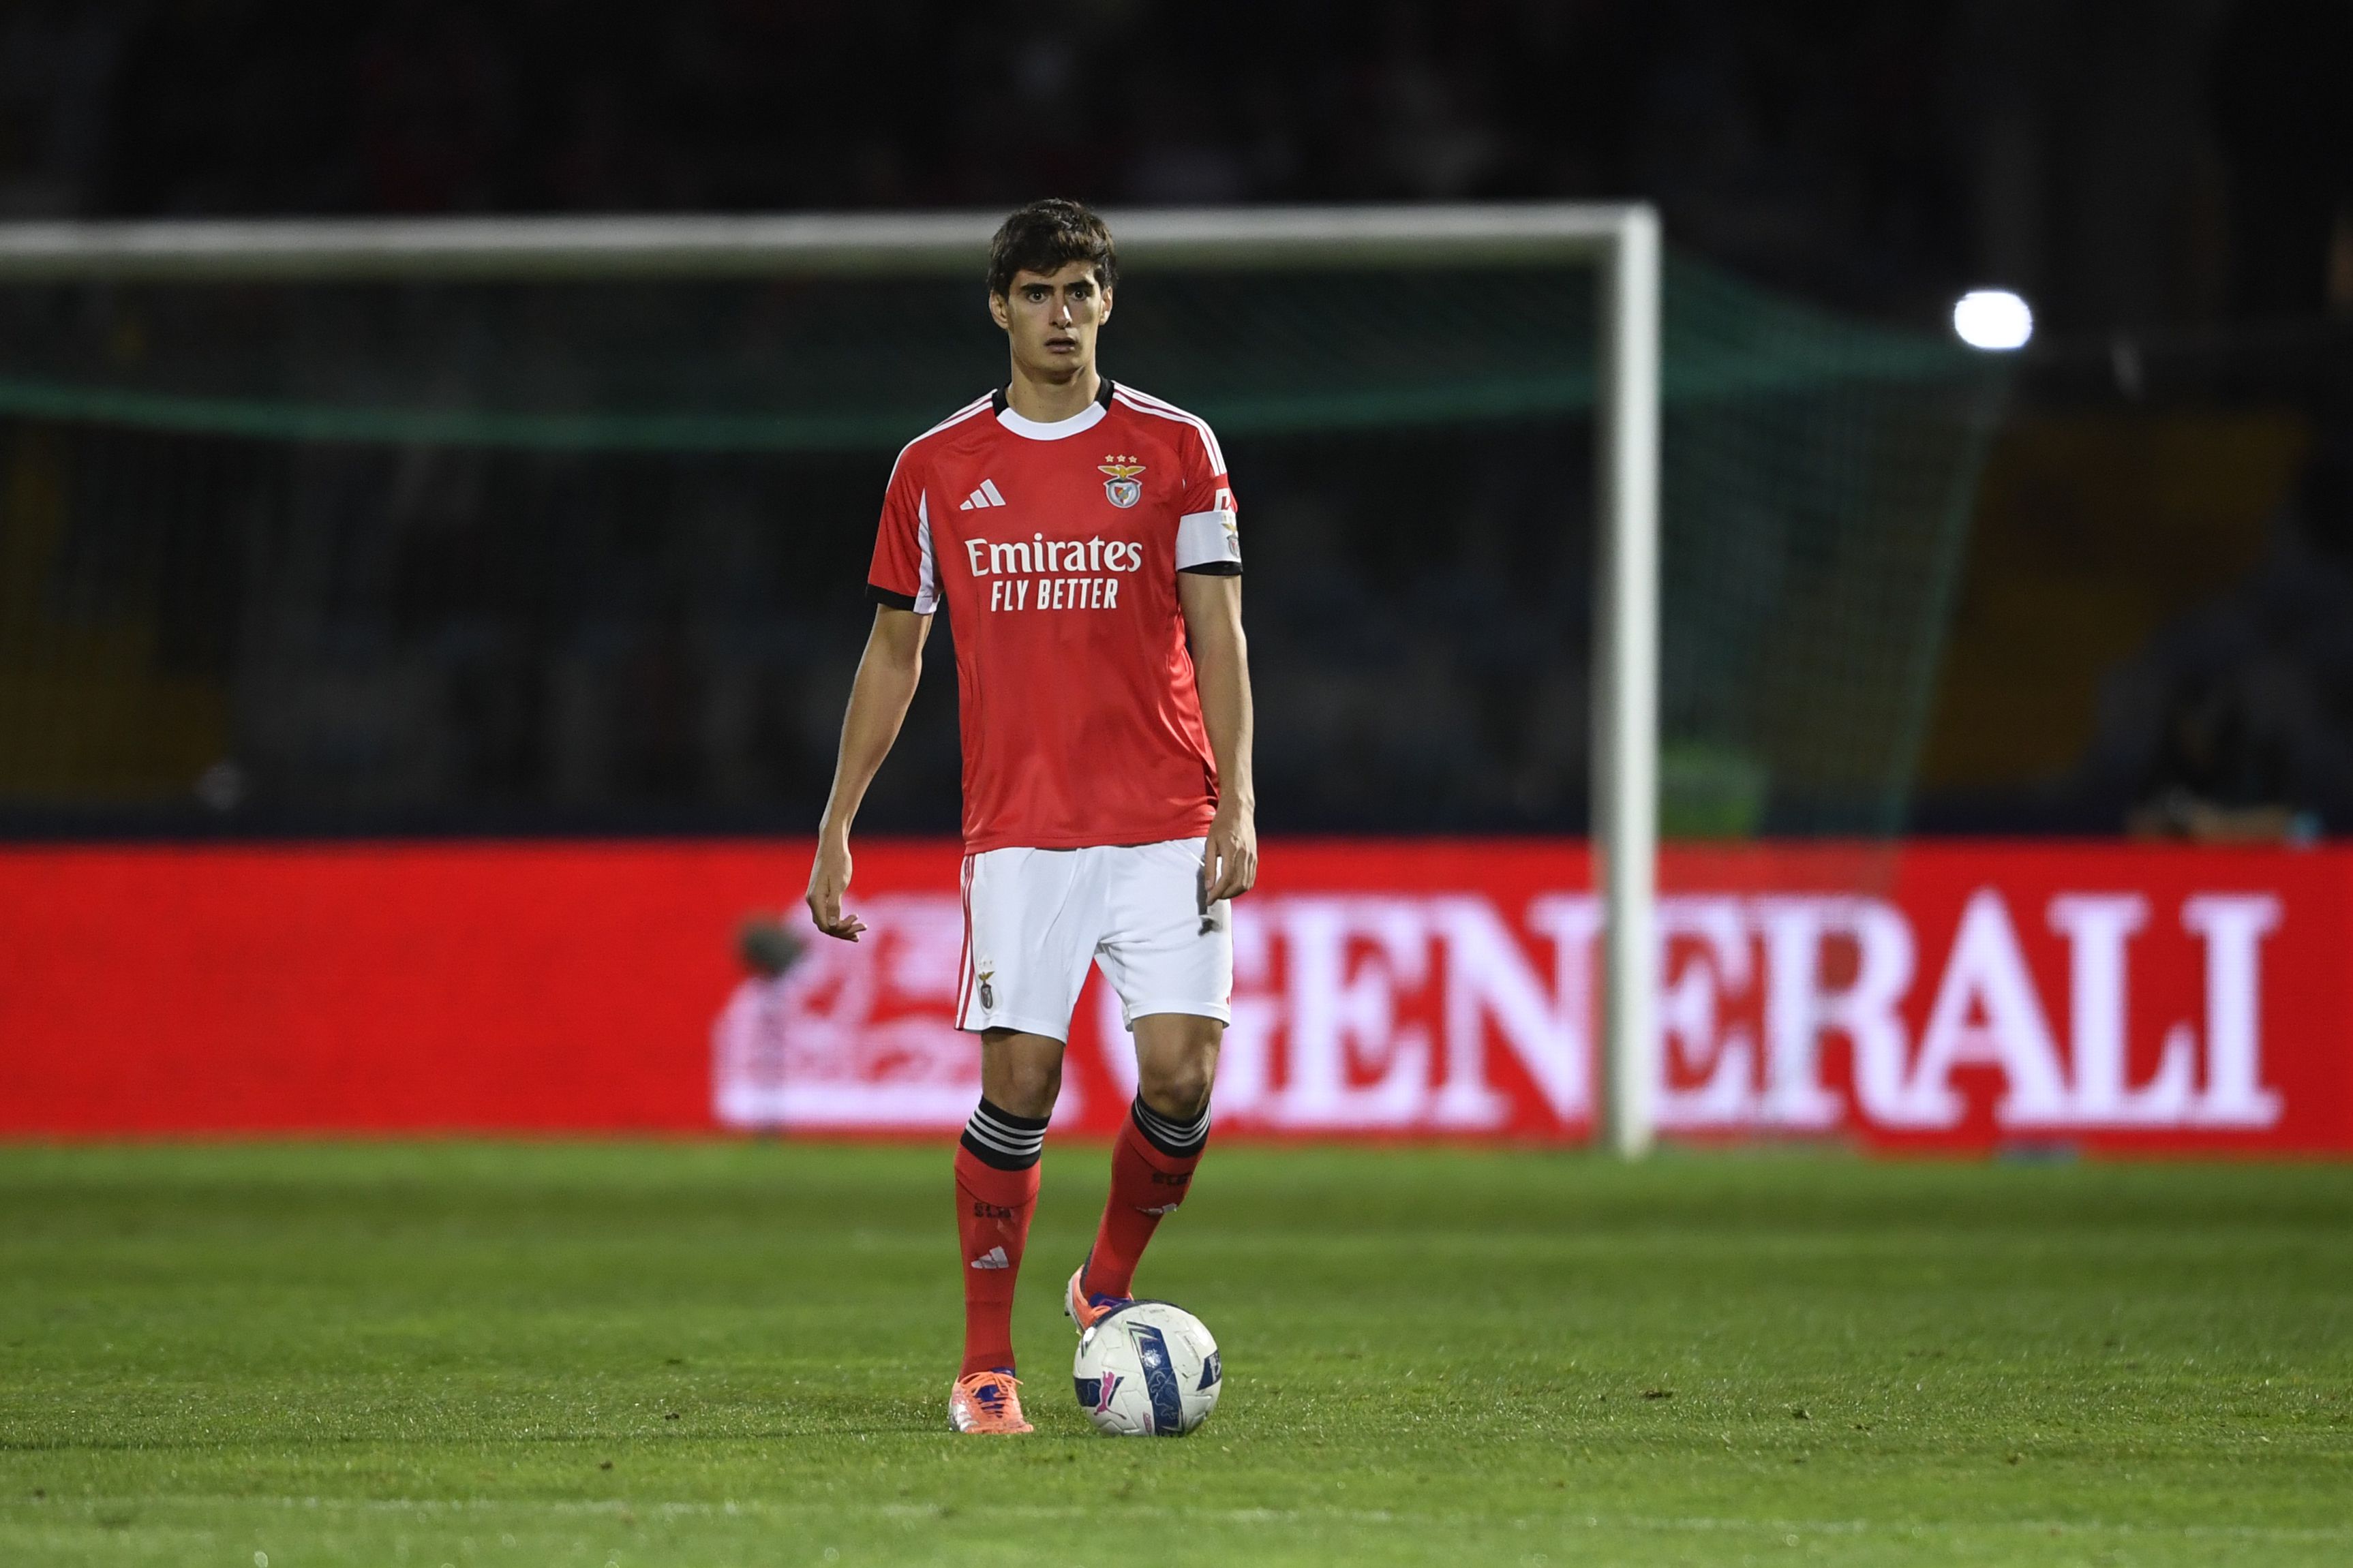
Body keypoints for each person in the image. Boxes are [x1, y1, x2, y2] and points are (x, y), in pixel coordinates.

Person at [804, 198, 1257, 1435]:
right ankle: (985, 1365)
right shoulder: (936, 468)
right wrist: (839, 819)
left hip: (1167, 813)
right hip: (1020, 832)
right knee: (1023, 1081)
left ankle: (1105, 1283)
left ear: (1109, 304)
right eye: (1040, 293)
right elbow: (893, 653)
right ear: (1000, 306)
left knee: (1182, 1076)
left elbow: (1216, 631)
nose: (1063, 315)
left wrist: (1240, 799)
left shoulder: (1177, 448)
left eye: (1083, 293)